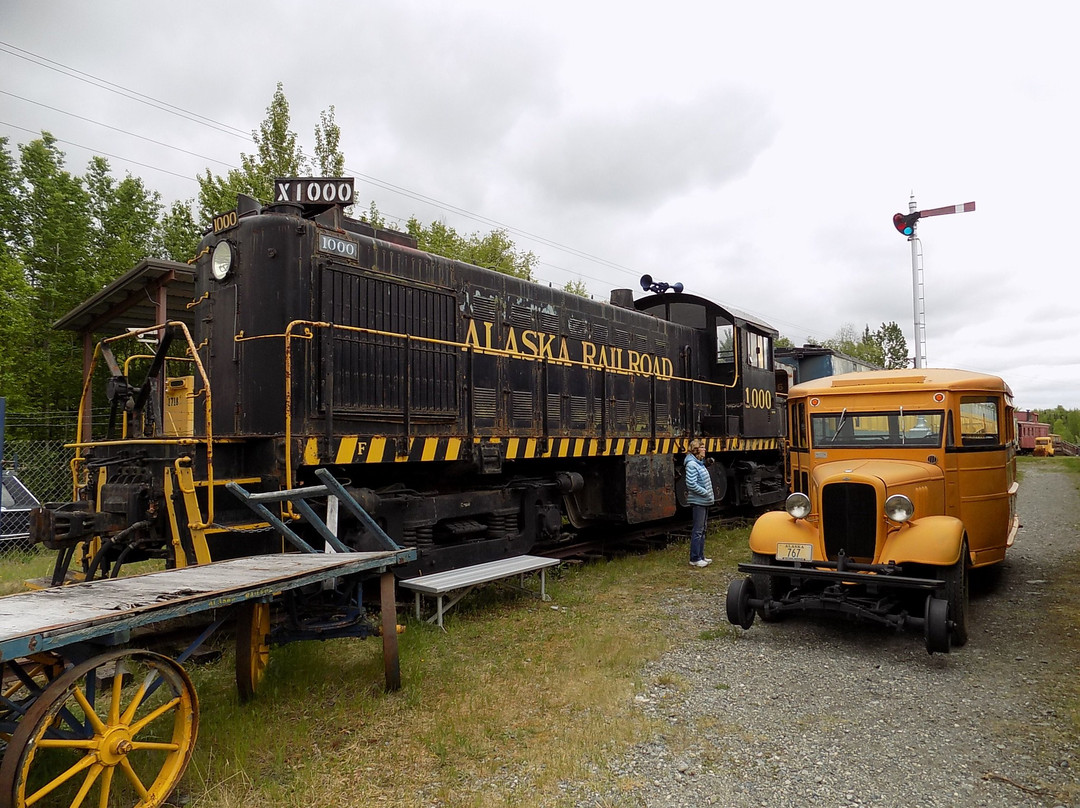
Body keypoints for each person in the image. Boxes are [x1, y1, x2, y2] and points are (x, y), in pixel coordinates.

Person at [683, 439, 714, 567]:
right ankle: (694, 558)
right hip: (699, 501)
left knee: (702, 529)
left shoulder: (699, 463)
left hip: (704, 501)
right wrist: (705, 492)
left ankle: (700, 556)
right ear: (696, 450)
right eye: (702, 447)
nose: (705, 449)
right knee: (698, 530)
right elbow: (691, 483)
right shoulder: (692, 464)